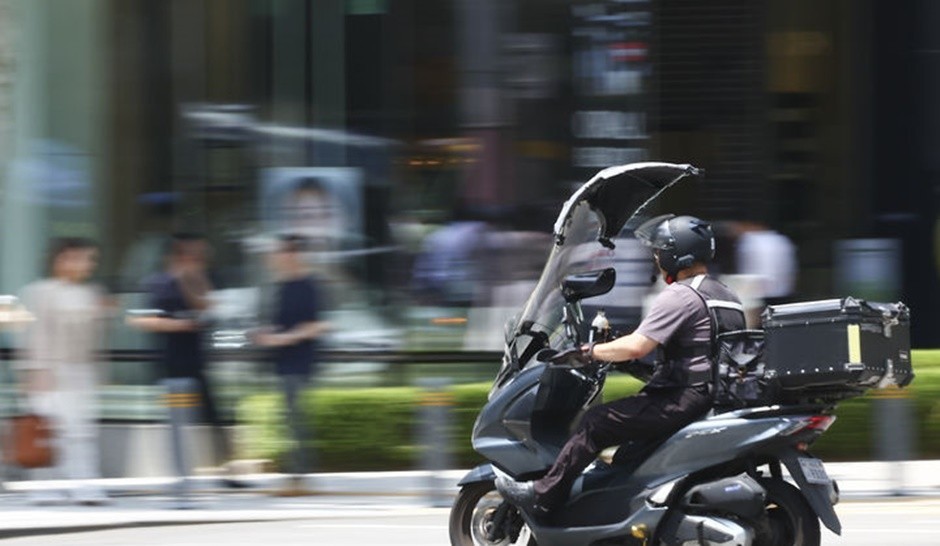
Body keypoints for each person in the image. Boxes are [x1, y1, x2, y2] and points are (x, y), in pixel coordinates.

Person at [497, 214, 745, 515]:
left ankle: (543, 495)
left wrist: (589, 351)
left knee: (594, 422)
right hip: (710, 396)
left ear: (675, 253)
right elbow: (697, 355)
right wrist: (632, 364)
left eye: (659, 250)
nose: (656, 258)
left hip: (683, 399)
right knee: (628, 453)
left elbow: (637, 346)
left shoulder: (681, 295)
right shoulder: (726, 295)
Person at [127, 233, 234, 471]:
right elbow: (142, 320)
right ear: (178, 255)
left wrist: (192, 280)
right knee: (178, 422)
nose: (200, 260)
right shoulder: (157, 283)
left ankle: (225, 470)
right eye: (193, 255)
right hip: (170, 367)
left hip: (196, 364)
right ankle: (180, 474)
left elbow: (208, 307)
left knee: (213, 418)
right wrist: (181, 325)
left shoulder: (197, 280)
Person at [18, 238, 110, 505]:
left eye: (90, 259)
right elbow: (35, 335)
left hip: (81, 372)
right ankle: (44, 489)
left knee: (81, 432)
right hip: (49, 372)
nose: (88, 264)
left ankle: (86, 486)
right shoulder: (39, 291)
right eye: (82, 258)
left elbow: (95, 341)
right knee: (47, 432)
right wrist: (35, 371)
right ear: (62, 260)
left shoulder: (92, 292)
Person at [252, 233, 328, 495]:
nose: (275, 258)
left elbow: (317, 325)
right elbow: (281, 323)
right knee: (290, 420)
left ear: (293, 254)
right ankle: (296, 477)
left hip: (300, 362)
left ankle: (300, 478)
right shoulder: (281, 286)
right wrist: (266, 334)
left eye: (280, 252)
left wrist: (282, 338)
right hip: (283, 363)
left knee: (297, 422)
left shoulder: (308, 285)